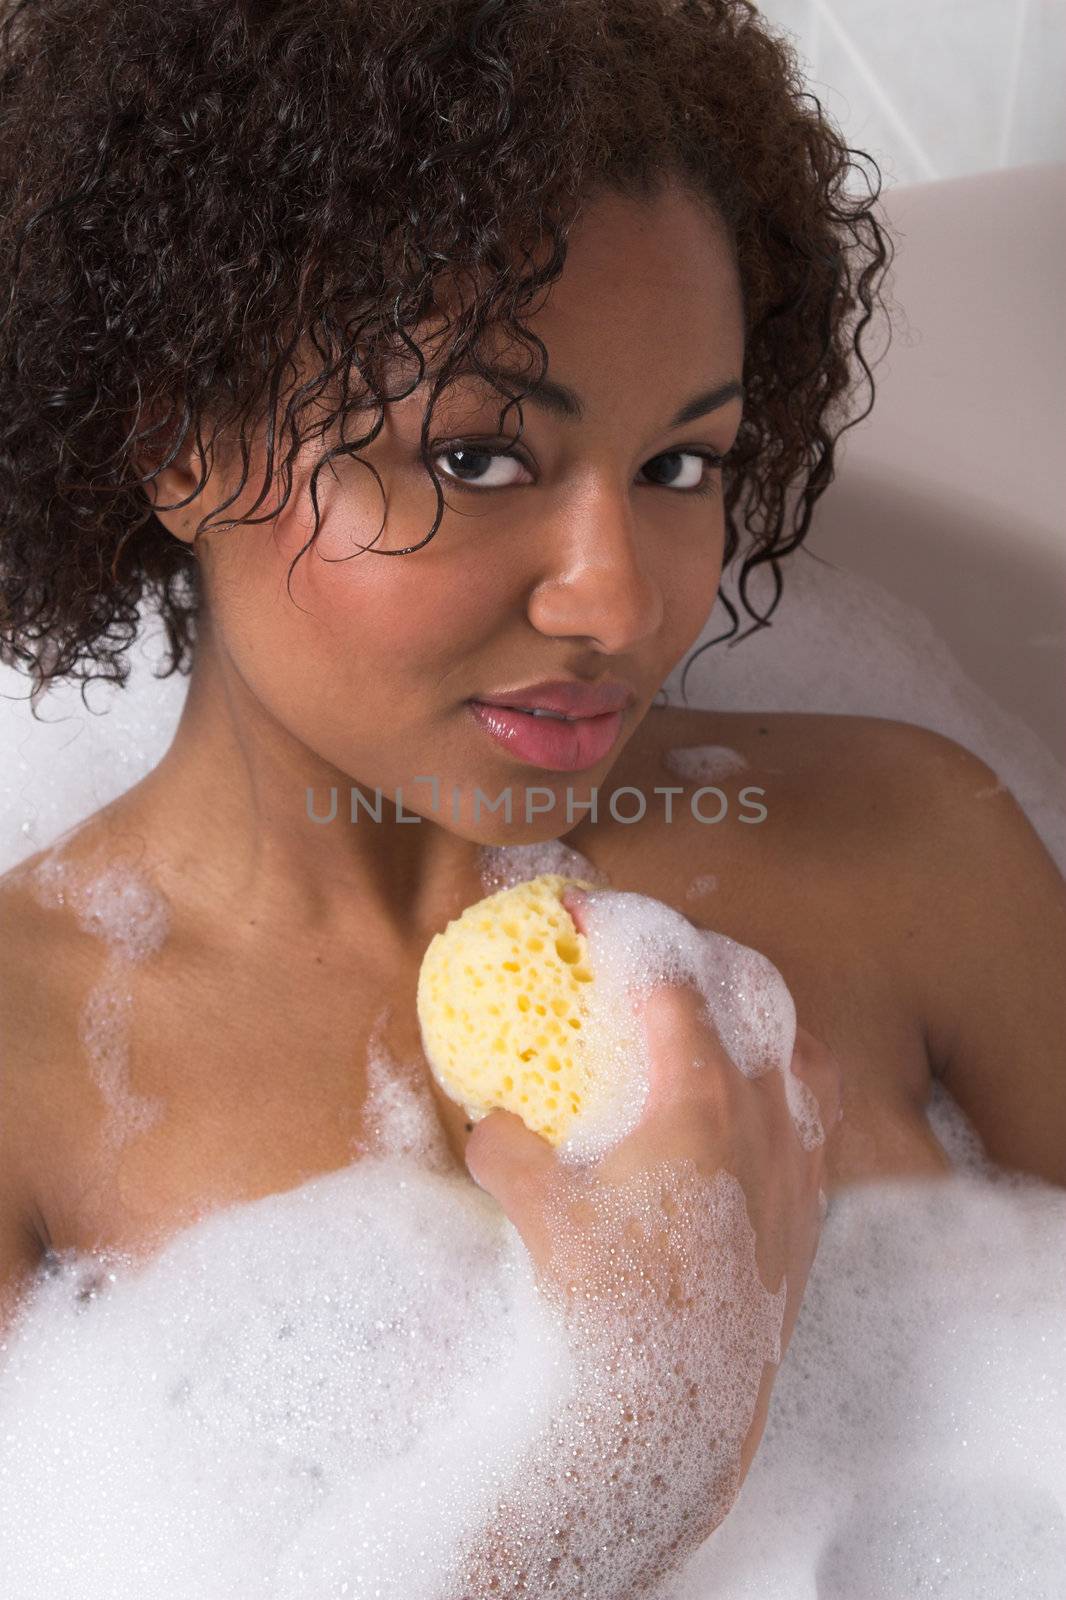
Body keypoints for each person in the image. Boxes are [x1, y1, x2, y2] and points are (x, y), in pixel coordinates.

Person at [0, 0, 1063, 1579]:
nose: (615, 602)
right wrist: (638, 1437)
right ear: (181, 444)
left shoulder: (912, 848)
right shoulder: (31, 1060)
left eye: (679, 466)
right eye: (480, 459)